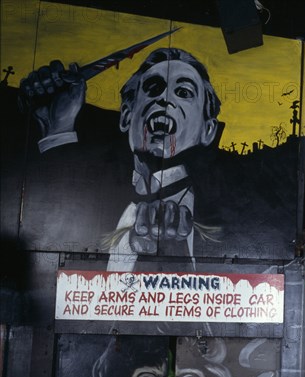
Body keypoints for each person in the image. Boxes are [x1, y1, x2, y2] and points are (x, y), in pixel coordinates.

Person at [20, 48, 222, 271]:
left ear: (208, 130)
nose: (164, 99)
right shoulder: (87, 205)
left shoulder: (232, 218)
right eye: (153, 88)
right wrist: (57, 128)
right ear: (126, 116)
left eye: (183, 92)